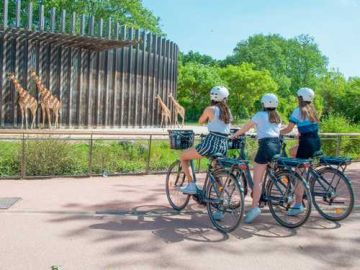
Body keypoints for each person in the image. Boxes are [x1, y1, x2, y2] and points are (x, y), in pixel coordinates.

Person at [231, 93, 281, 223]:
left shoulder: (260, 115)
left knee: (257, 179)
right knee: (266, 170)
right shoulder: (277, 117)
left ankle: (254, 207)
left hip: (265, 146)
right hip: (277, 146)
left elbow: (246, 127)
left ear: (263, 104)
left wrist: (234, 135)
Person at [180, 86, 232, 195]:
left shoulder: (210, 109)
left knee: (183, 156)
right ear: (225, 98)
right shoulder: (227, 111)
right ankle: (221, 198)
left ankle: (191, 185)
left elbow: (200, 121)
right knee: (216, 170)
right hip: (223, 145)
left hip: (211, 143)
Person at [280, 87, 320, 216]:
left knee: (299, 174)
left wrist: (276, 132)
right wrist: (300, 134)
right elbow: (307, 127)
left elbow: (288, 128)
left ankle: (298, 204)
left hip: (306, 144)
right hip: (316, 142)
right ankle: (303, 185)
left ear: (300, 98)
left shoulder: (298, 111)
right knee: (292, 151)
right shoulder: (312, 110)